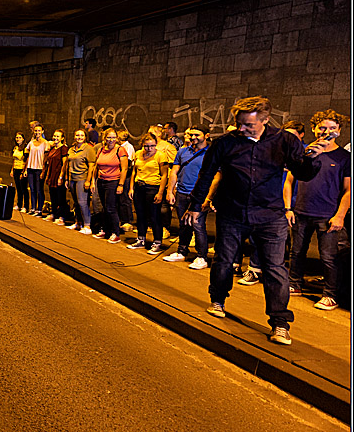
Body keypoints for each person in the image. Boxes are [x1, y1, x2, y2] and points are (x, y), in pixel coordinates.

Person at [185, 96, 323, 346]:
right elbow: (206, 174)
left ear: (265, 120)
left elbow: (302, 173)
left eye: (248, 125)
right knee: (225, 260)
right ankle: (218, 299)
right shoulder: (225, 143)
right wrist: (196, 206)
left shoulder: (284, 141)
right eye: (239, 124)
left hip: (270, 215)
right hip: (233, 212)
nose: (241, 129)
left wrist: (311, 159)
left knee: (275, 270)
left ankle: (280, 323)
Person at [285, 110, 350, 310]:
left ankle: (330, 295)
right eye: (322, 127)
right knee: (296, 252)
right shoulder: (304, 152)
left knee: (329, 257)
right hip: (301, 212)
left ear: (339, 131)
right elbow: (289, 181)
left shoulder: (344, 157)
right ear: (314, 129)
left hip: (327, 215)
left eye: (332, 128)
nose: (326, 132)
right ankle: (294, 284)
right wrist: (288, 208)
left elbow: (349, 190)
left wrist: (339, 216)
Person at [163, 125, 214, 269]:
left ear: (207, 135)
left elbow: (217, 176)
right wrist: (170, 191)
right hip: (182, 193)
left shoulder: (211, 153)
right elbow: (174, 172)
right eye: (191, 135)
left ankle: (201, 257)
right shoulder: (183, 151)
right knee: (183, 224)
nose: (193, 137)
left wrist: (209, 198)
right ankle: (181, 251)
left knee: (198, 226)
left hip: (199, 196)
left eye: (197, 135)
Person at [126, 134, 172, 253]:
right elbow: (134, 172)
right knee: (140, 215)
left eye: (152, 146)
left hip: (153, 187)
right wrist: (131, 188)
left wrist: (160, 192)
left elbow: (164, 175)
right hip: (139, 186)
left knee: (154, 216)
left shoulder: (160, 156)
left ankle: (157, 242)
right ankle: (141, 239)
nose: (149, 148)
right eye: (146, 146)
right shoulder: (138, 154)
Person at [88, 128, 128, 244]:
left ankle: (116, 233)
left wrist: (121, 184)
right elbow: (96, 166)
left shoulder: (120, 150)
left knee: (111, 208)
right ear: (104, 138)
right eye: (109, 137)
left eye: (113, 137)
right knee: (104, 208)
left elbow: (124, 169)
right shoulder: (101, 150)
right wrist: (92, 182)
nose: (111, 140)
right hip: (101, 181)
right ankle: (105, 230)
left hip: (113, 182)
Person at [64, 130, 96, 233]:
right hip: (72, 179)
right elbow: (68, 165)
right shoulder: (71, 149)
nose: (79, 137)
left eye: (82, 135)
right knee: (76, 203)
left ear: (85, 137)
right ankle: (78, 223)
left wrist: (88, 181)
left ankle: (87, 225)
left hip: (82, 178)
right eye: (77, 135)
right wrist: (67, 179)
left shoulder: (89, 149)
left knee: (83, 202)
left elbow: (91, 166)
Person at [43, 130, 70, 224]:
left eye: (58, 136)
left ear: (62, 138)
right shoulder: (53, 148)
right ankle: (53, 213)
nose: (55, 138)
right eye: (54, 136)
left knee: (60, 196)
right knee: (53, 196)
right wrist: (47, 175)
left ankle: (61, 216)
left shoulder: (63, 149)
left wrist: (61, 177)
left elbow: (64, 163)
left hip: (59, 175)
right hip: (52, 175)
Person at [25, 124, 50, 216]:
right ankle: (33, 208)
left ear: (42, 131)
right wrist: (25, 169)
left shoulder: (45, 143)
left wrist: (43, 170)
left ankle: (39, 209)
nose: (37, 132)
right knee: (32, 189)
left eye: (39, 131)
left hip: (39, 168)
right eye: (36, 131)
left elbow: (46, 158)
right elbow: (28, 155)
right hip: (31, 168)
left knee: (39, 189)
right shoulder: (31, 143)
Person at [116, 130, 135, 231]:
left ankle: (127, 220)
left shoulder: (128, 147)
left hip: (126, 175)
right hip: (119, 174)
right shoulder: (120, 147)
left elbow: (128, 162)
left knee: (125, 199)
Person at [9, 132, 28, 212]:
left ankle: (26, 206)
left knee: (24, 188)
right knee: (18, 188)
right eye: (17, 137)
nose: (18, 139)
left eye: (20, 137)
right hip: (16, 169)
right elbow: (14, 159)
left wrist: (24, 171)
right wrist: (12, 170)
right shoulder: (15, 148)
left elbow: (27, 160)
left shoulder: (25, 149)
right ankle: (19, 204)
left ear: (23, 139)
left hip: (22, 169)